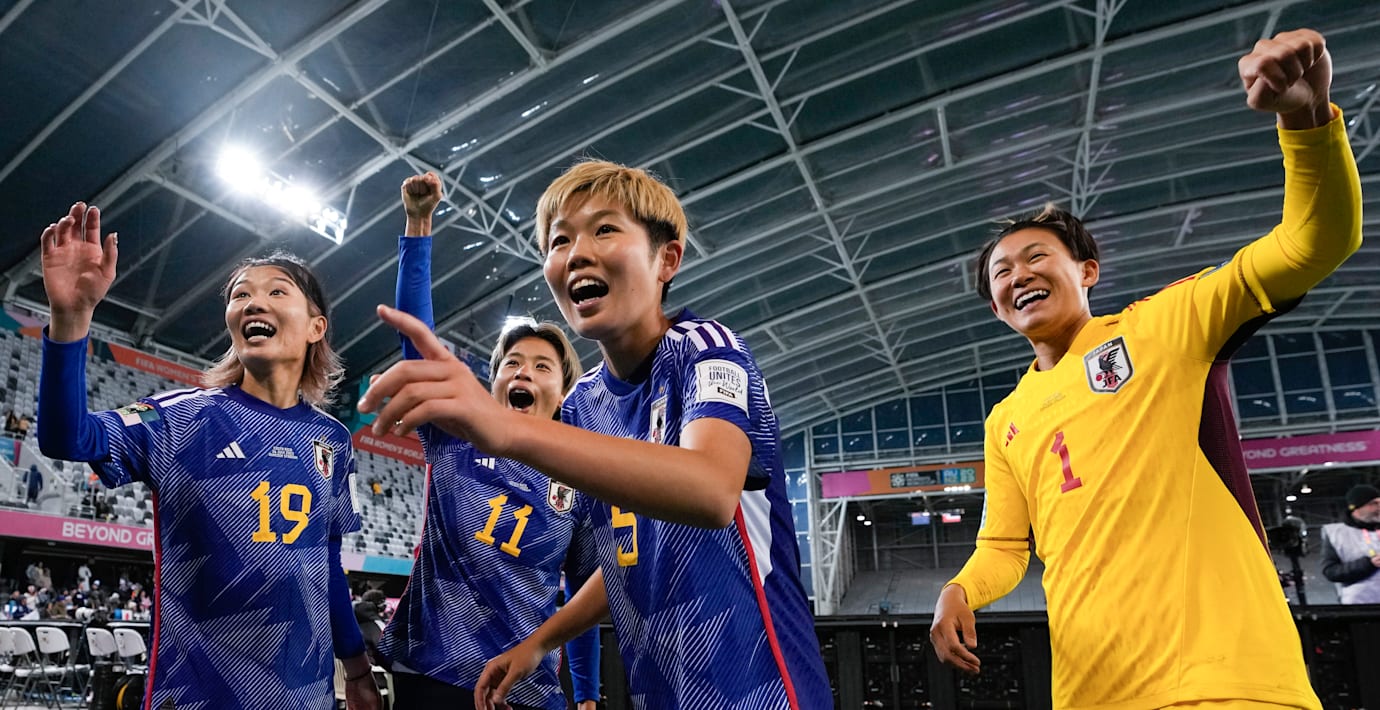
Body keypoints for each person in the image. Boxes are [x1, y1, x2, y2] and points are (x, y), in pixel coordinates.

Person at [930, 29, 1359, 710]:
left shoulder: (1163, 326)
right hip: (1091, 692)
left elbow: (1313, 244)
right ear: (996, 307)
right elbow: (1005, 547)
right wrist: (959, 589)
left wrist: (1306, 121)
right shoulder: (1006, 421)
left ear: (1087, 271)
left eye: (1037, 257)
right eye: (1002, 273)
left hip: (1226, 680)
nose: (1019, 276)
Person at [360, 162, 831, 710]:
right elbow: (624, 557)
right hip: (655, 691)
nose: (577, 253)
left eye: (605, 229)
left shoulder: (706, 349)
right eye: (560, 240)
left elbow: (711, 490)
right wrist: (541, 641)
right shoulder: (584, 405)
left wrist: (507, 428)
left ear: (667, 260)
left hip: (761, 688)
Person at [36, 202, 381, 710]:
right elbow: (67, 438)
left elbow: (326, 563)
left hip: (306, 697)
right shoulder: (179, 418)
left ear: (316, 327)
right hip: (196, 696)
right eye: (241, 294)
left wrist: (356, 669)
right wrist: (70, 320)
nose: (253, 302)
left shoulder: (333, 439)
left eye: (276, 291)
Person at [374, 173, 600, 710]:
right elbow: (418, 344)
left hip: (525, 690)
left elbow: (583, 593)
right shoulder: (456, 436)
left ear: (563, 391)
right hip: (433, 675)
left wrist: (588, 696)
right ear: (494, 382)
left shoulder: (582, 472)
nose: (523, 372)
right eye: (512, 363)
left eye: (542, 366)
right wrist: (418, 224)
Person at [1321, 484, 1380, 603]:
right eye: (1374, 503)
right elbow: (1330, 572)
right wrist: (1369, 564)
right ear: (1356, 508)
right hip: (1360, 605)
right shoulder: (1336, 534)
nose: (1379, 507)